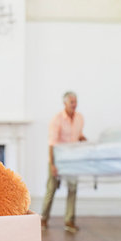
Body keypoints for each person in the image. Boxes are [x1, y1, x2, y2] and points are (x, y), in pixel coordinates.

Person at [41, 91, 87, 233]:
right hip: (58, 160)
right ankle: (44, 219)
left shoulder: (80, 118)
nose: (74, 104)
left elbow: (77, 136)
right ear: (65, 103)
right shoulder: (57, 119)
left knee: (73, 189)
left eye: (75, 102)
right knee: (52, 188)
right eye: (71, 102)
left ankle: (69, 220)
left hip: (72, 160)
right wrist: (53, 164)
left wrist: (84, 140)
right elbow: (52, 144)